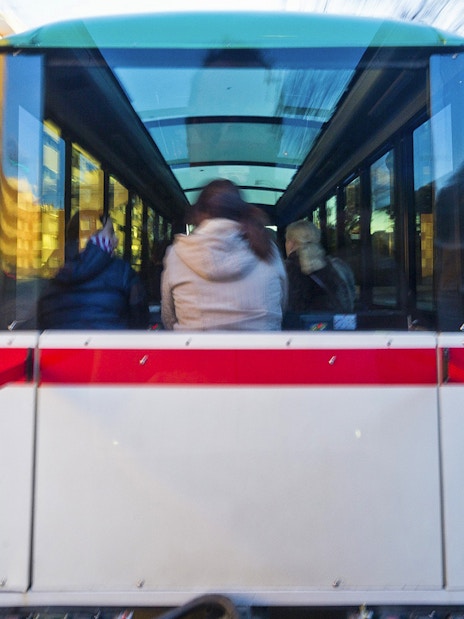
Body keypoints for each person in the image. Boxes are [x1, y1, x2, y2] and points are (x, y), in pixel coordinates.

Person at [161, 179, 287, 330]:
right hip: (263, 352)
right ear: (241, 211)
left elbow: (168, 317)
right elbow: (281, 305)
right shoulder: (267, 248)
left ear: (200, 213)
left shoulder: (177, 253)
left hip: (195, 352)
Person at [38, 215, 149, 329]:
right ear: (93, 238)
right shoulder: (123, 273)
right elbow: (140, 322)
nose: (116, 240)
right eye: (111, 233)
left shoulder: (55, 275)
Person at [284, 219, 355, 319]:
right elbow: (349, 301)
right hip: (336, 330)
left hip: (298, 331)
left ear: (290, 243)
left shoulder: (284, 270)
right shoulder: (339, 266)